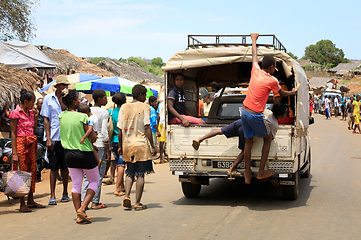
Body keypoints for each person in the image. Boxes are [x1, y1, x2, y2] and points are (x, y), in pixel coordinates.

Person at [241, 33, 296, 184]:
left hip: (244, 111)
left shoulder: (255, 69)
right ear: (271, 67)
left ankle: (247, 172)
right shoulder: (272, 80)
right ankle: (260, 172)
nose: (274, 70)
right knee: (268, 138)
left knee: (248, 142)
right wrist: (293, 92)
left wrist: (253, 40)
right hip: (254, 114)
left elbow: (254, 54)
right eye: (274, 67)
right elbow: (282, 93)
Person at [193, 103, 288, 178]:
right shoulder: (275, 124)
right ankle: (232, 168)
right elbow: (270, 137)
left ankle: (199, 140)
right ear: (281, 115)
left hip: (240, 122)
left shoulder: (266, 111)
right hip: (246, 129)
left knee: (220, 131)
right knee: (246, 149)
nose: (286, 114)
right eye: (285, 113)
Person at [59, 90, 99, 224]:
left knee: (76, 184)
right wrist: (94, 134)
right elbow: (92, 138)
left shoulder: (62, 116)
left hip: (69, 154)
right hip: (84, 153)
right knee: (94, 181)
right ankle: (82, 208)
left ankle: (78, 215)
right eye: (77, 98)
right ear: (74, 101)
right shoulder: (82, 117)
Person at [117, 84, 156, 210]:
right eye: (144, 95)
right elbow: (147, 126)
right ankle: (137, 203)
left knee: (129, 172)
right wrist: (152, 145)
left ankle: (127, 195)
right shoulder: (145, 107)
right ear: (140, 95)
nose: (145, 97)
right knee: (140, 174)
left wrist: (120, 146)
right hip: (141, 144)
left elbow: (120, 129)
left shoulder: (124, 107)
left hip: (127, 144)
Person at [9, 89, 45, 212]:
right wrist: (14, 153)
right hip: (20, 144)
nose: (33, 105)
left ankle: (30, 200)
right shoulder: (15, 113)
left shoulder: (30, 113)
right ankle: (22, 203)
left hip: (31, 145)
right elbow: (13, 134)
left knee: (32, 171)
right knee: (22, 173)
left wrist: (35, 117)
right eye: (32, 102)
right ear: (25, 101)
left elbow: (33, 130)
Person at [40, 75, 70, 205]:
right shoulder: (48, 98)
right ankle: (52, 195)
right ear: (57, 86)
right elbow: (46, 118)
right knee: (53, 167)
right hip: (53, 136)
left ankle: (65, 193)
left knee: (65, 167)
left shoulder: (67, 99)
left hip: (66, 137)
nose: (64, 87)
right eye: (63, 85)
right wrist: (48, 138)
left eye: (66, 85)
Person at [81, 89, 109, 209]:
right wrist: (108, 146)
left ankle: (84, 201)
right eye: (105, 97)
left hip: (87, 144)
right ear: (99, 99)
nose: (107, 99)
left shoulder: (86, 110)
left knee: (88, 174)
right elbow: (104, 132)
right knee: (99, 174)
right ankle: (95, 201)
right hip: (100, 144)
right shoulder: (104, 112)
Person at [108, 93, 127, 196]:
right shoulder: (125, 112)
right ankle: (117, 189)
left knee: (118, 163)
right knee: (121, 165)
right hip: (122, 141)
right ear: (124, 101)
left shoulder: (110, 112)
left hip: (113, 141)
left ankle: (122, 186)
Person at [34, 98, 45, 182]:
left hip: (45, 138)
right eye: (41, 103)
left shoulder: (46, 113)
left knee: (44, 157)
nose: (42, 105)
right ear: (37, 104)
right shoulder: (34, 113)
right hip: (37, 137)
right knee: (37, 157)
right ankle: (38, 175)